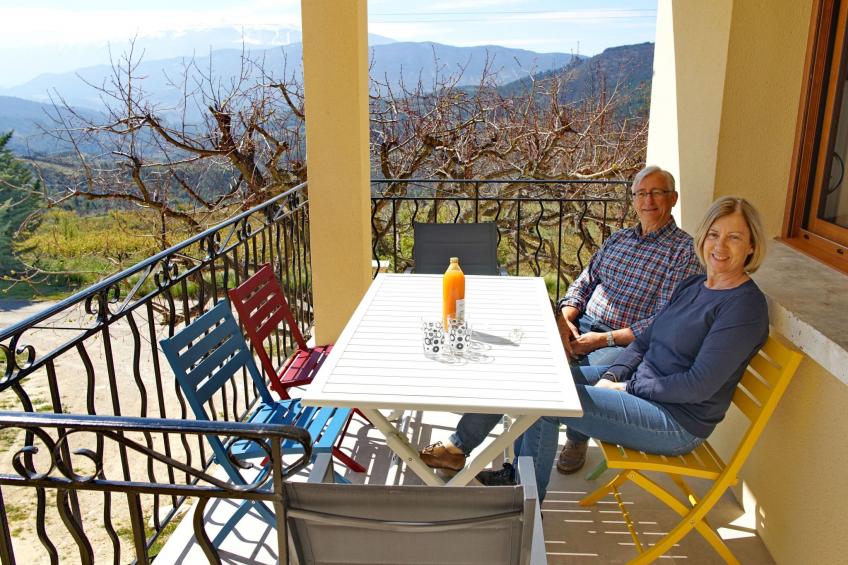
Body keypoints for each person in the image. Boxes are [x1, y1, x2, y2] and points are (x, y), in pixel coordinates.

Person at [482, 196, 769, 501]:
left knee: (550, 402)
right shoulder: (694, 285)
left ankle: (525, 504)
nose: (720, 246)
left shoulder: (743, 308)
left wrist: (627, 387)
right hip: (645, 390)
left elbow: (698, 386)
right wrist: (612, 375)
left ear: (752, 246)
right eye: (714, 234)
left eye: (734, 237)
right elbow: (645, 340)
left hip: (675, 420)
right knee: (541, 383)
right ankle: (518, 479)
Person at [420, 165, 702, 474]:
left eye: (657, 193)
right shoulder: (619, 239)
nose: (648, 200)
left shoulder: (683, 252)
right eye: (641, 193)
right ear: (633, 199)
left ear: (673, 198)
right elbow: (584, 281)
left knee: (549, 385)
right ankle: (459, 447)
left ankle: (571, 440)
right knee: (516, 365)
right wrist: (565, 320)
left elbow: (662, 321)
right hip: (580, 325)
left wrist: (602, 339)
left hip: (623, 344)